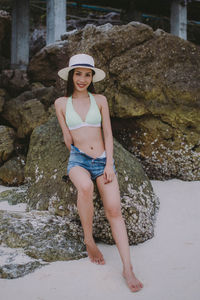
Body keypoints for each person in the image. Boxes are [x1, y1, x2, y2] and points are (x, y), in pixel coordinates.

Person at [54, 54, 143, 292]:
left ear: (92, 77)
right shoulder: (61, 103)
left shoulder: (100, 99)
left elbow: (108, 134)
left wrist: (108, 164)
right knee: (85, 187)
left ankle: (128, 268)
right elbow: (66, 136)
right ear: (71, 76)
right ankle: (89, 240)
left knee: (114, 210)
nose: (82, 79)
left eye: (87, 74)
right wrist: (76, 157)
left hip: (102, 160)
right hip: (78, 161)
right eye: (78, 73)